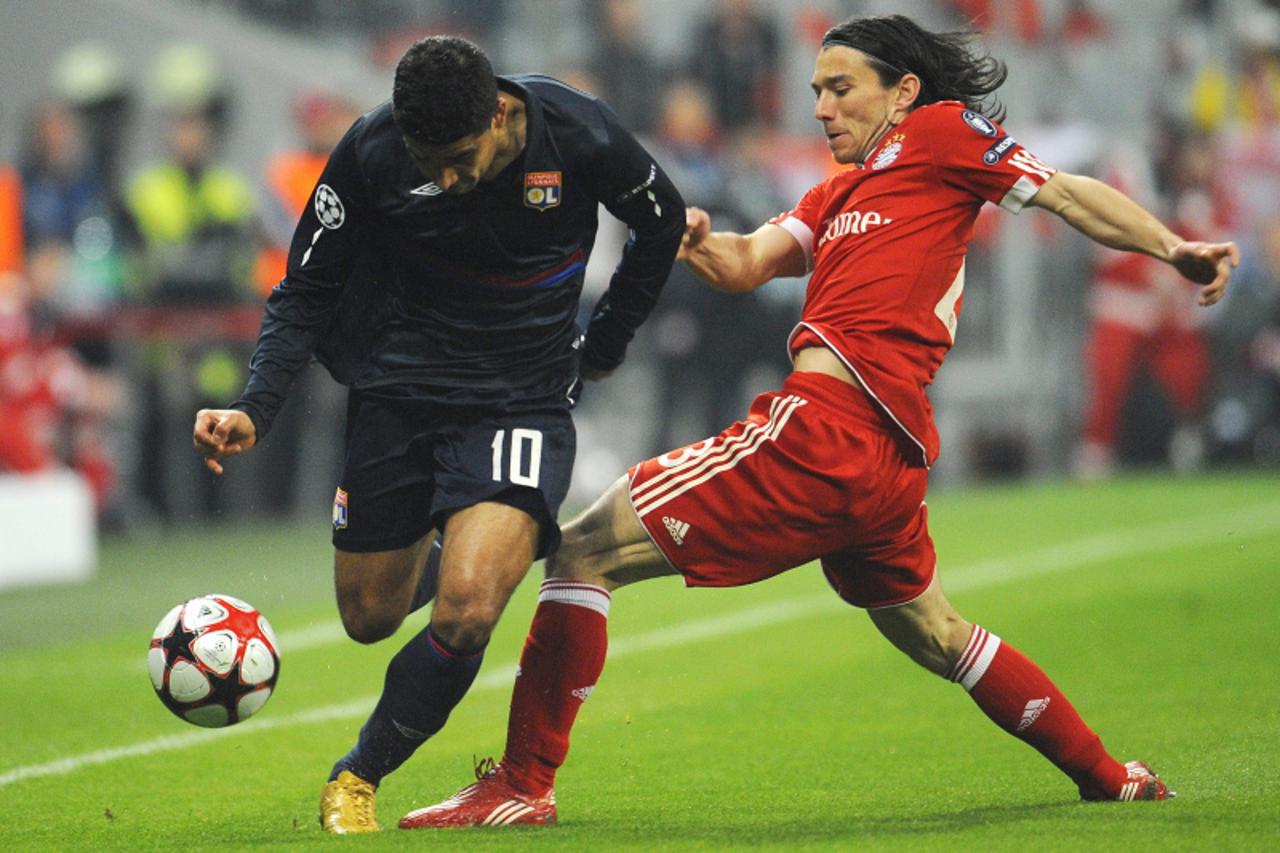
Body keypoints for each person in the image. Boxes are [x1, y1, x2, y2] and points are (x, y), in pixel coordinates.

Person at [402, 14, 1238, 830]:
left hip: (824, 430)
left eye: (841, 89)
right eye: (815, 90)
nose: (822, 107)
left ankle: (522, 783)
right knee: (939, 633)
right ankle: (1108, 775)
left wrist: (1173, 247)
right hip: (886, 458)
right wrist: (695, 239)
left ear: (903, 92)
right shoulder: (836, 192)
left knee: (584, 549)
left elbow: (1064, 193)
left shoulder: (943, 134)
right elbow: (749, 263)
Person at [191, 36, 684, 833]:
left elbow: (661, 222)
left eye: (459, 158)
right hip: (399, 389)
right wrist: (255, 404)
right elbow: (304, 290)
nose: (446, 179)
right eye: (429, 161)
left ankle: (359, 772)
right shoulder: (372, 150)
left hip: (520, 395)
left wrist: (605, 344)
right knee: (369, 616)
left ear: (499, 111)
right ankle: (464, 550)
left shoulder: (580, 131)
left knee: (465, 611)